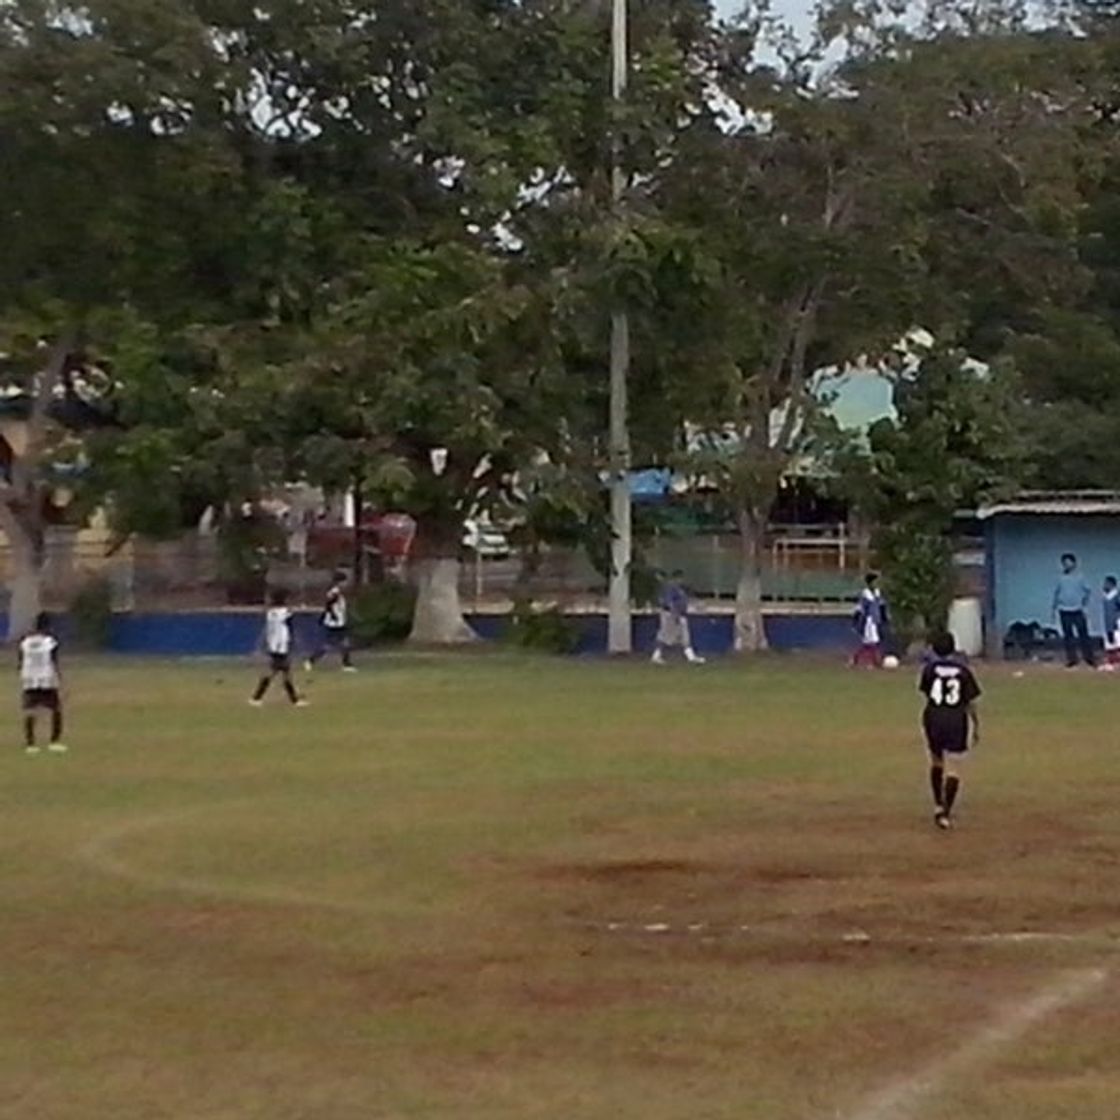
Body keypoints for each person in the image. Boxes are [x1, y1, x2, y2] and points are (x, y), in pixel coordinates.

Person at [919, 631, 981, 831]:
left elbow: (927, 693)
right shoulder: (963, 671)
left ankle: (938, 804)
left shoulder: (929, 669)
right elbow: (971, 702)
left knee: (937, 761)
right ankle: (945, 813)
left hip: (933, 717)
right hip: (955, 719)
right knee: (954, 766)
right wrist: (976, 725)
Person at [18, 612, 66, 755]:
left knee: (31, 711)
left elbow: (21, 661)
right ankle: (54, 742)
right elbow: (54, 660)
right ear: (48, 625)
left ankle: (30, 744)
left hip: (29, 679)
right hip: (46, 678)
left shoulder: (25, 642)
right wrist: (61, 679)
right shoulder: (50, 642)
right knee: (56, 709)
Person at [250, 589, 307, 707]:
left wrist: (263, 644)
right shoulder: (285, 613)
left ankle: (293, 699)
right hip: (281, 645)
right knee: (278, 672)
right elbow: (290, 628)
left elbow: (268, 629)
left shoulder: (270, 613)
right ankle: (257, 697)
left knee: (282, 671)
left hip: (273, 645)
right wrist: (296, 642)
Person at [305, 571, 355, 672]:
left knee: (344, 643)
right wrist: (333, 615)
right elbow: (329, 604)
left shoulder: (337, 592)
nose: (346, 584)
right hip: (335, 623)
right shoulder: (335, 592)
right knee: (329, 645)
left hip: (339, 622)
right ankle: (311, 660)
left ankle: (346, 664)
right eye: (344, 581)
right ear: (339, 582)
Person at [651, 570, 705, 665]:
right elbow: (669, 602)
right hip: (671, 615)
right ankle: (656, 655)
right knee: (665, 635)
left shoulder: (679, 589)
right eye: (680, 578)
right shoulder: (671, 587)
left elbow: (682, 601)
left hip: (679, 614)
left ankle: (690, 656)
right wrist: (675, 614)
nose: (681, 581)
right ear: (676, 578)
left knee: (684, 636)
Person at [1052, 553, 1095, 668]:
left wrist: (1084, 603)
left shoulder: (1080, 577)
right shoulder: (1060, 578)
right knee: (1068, 636)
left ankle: (1089, 658)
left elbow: (1088, 591)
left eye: (1068, 562)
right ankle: (1072, 659)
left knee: (1083, 634)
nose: (1066, 565)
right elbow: (1056, 593)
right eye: (1064, 563)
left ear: (1074, 564)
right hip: (1064, 610)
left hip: (1077, 609)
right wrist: (1054, 608)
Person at [852, 572, 889, 668]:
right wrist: (856, 621)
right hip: (869, 620)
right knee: (874, 642)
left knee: (867, 644)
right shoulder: (865, 594)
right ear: (870, 583)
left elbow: (881, 605)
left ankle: (855, 659)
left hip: (876, 620)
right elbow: (860, 609)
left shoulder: (877, 592)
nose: (877, 584)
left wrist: (884, 617)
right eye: (875, 582)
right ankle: (875, 662)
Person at [1102, 575, 1120, 671]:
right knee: (1109, 643)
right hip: (1107, 623)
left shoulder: (1117, 596)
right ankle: (1111, 662)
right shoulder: (1105, 596)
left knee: (1117, 643)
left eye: (1106, 583)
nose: (1104, 585)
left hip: (1116, 623)